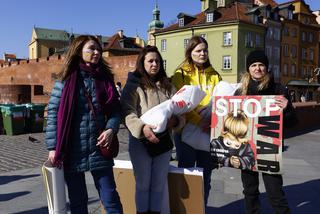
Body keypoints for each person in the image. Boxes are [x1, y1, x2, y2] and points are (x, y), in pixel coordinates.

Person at [45, 35, 123, 213]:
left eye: (98, 49)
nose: (96, 52)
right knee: (78, 201)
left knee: (111, 198)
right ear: (79, 51)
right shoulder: (65, 80)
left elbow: (115, 111)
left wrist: (111, 129)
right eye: (91, 49)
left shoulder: (105, 79)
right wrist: (52, 147)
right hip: (72, 149)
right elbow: (53, 115)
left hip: (100, 147)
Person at [121, 45, 185, 214]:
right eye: (150, 61)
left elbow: (181, 114)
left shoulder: (168, 86)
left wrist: (176, 121)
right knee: (142, 184)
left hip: (163, 143)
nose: (154, 64)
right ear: (142, 63)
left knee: (158, 184)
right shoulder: (134, 85)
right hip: (140, 142)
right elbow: (127, 112)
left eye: (157, 61)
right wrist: (142, 129)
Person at [234, 50, 293, 213]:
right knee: (250, 191)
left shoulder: (278, 89)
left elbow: (291, 122)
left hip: (269, 148)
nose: (257, 68)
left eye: (261, 65)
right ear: (248, 69)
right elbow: (230, 121)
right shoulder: (240, 92)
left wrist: (287, 108)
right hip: (246, 147)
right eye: (253, 65)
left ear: (266, 68)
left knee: (275, 192)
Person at [171, 35, 221, 205]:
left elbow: (220, 99)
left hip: (208, 130)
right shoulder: (181, 74)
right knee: (186, 172)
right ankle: (184, 208)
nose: (202, 53)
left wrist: (212, 121)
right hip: (186, 129)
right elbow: (179, 102)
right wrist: (199, 120)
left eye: (205, 50)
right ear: (190, 52)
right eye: (198, 50)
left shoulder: (215, 74)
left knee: (206, 174)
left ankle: (201, 208)